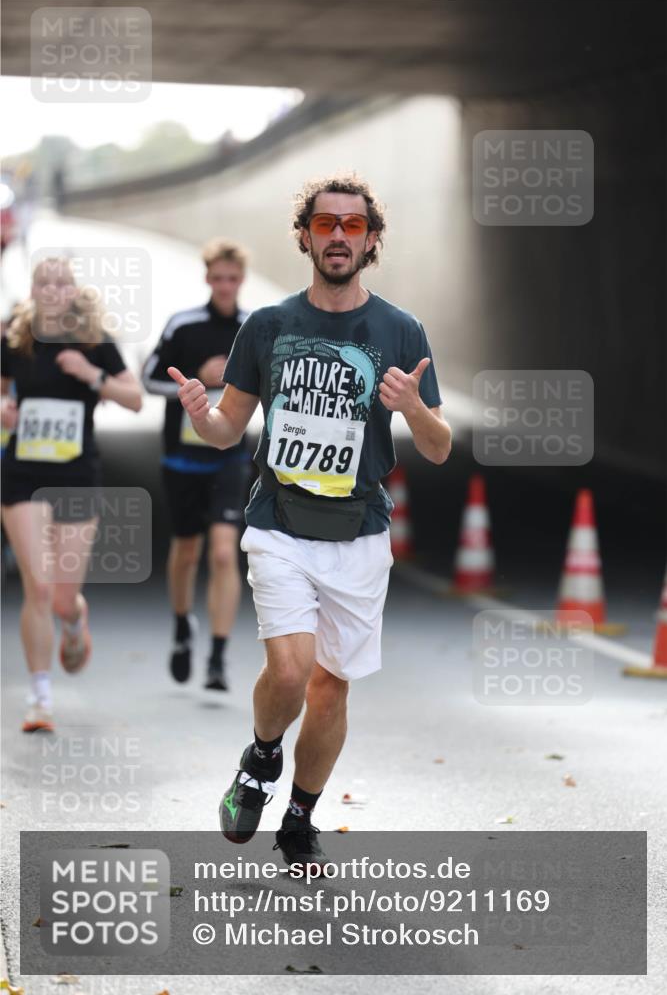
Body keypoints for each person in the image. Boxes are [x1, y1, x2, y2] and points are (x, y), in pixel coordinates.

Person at [168, 174, 452, 870]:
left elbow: (440, 446)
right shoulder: (267, 326)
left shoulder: (398, 330)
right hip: (278, 524)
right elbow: (229, 430)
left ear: (370, 239)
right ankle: (261, 758)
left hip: (358, 536)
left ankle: (299, 816)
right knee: (291, 672)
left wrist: (412, 408)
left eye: (351, 226)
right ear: (304, 235)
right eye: (325, 224)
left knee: (330, 686)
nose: (336, 236)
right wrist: (202, 415)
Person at [1, 257, 142, 732]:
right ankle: (40, 698)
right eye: (45, 281)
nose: (53, 289)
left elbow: (135, 397)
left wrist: (91, 375)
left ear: (74, 290)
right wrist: (4, 408)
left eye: (62, 281)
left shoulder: (93, 343)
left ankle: (74, 618)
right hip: (21, 477)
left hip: (76, 477)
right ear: (34, 290)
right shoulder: (14, 339)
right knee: (37, 587)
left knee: (61, 598)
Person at [142, 239, 251, 690]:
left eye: (232, 278)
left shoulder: (253, 328)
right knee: (187, 551)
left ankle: (218, 658)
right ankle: (184, 626)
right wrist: (195, 385)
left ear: (241, 280)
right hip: (183, 458)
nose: (225, 286)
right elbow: (148, 379)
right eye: (218, 278)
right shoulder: (183, 325)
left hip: (230, 456)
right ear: (207, 278)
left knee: (225, 552)